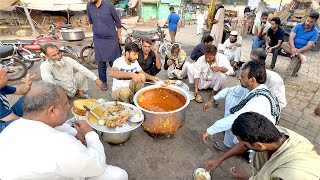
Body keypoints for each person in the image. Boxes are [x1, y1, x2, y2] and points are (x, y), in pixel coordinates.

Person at [0, 81, 128, 179]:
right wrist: (90, 134)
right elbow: (97, 165)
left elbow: (56, 127)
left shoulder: (11, 128)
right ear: (52, 111)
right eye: (66, 103)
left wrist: (74, 132)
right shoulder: (61, 145)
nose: (69, 106)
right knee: (118, 175)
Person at [204, 112, 320, 180]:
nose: (242, 145)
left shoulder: (291, 174)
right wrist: (219, 160)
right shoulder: (273, 133)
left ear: (259, 146)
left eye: (244, 144)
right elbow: (244, 146)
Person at [202, 61, 280, 153]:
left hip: (259, 137)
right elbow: (229, 90)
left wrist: (210, 130)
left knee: (235, 122)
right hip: (254, 126)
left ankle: (240, 148)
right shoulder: (254, 88)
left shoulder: (260, 100)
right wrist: (212, 99)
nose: (239, 78)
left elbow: (235, 118)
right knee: (231, 95)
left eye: (243, 76)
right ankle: (232, 140)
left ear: (252, 80)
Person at [87, 0, 122, 91]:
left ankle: (119, 80)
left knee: (114, 62)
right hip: (98, 39)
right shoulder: (89, 6)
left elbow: (118, 23)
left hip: (111, 39)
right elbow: (91, 22)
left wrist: (119, 37)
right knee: (100, 61)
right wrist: (96, 32)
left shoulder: (109, 6)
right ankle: (103, 82)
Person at [281, 12, 319, 77]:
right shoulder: (298, 25)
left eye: (311, 22)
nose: (308, 23)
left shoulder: (315, 32)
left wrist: (298, 51)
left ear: (315, 22)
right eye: (308, 20)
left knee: (296, 58)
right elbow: (291, 37)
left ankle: (286, 75)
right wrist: (293, 48)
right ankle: (301, 56)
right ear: (306, 18)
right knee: (284, 44)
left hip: (302, 49)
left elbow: (309, 45)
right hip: (291, 46)